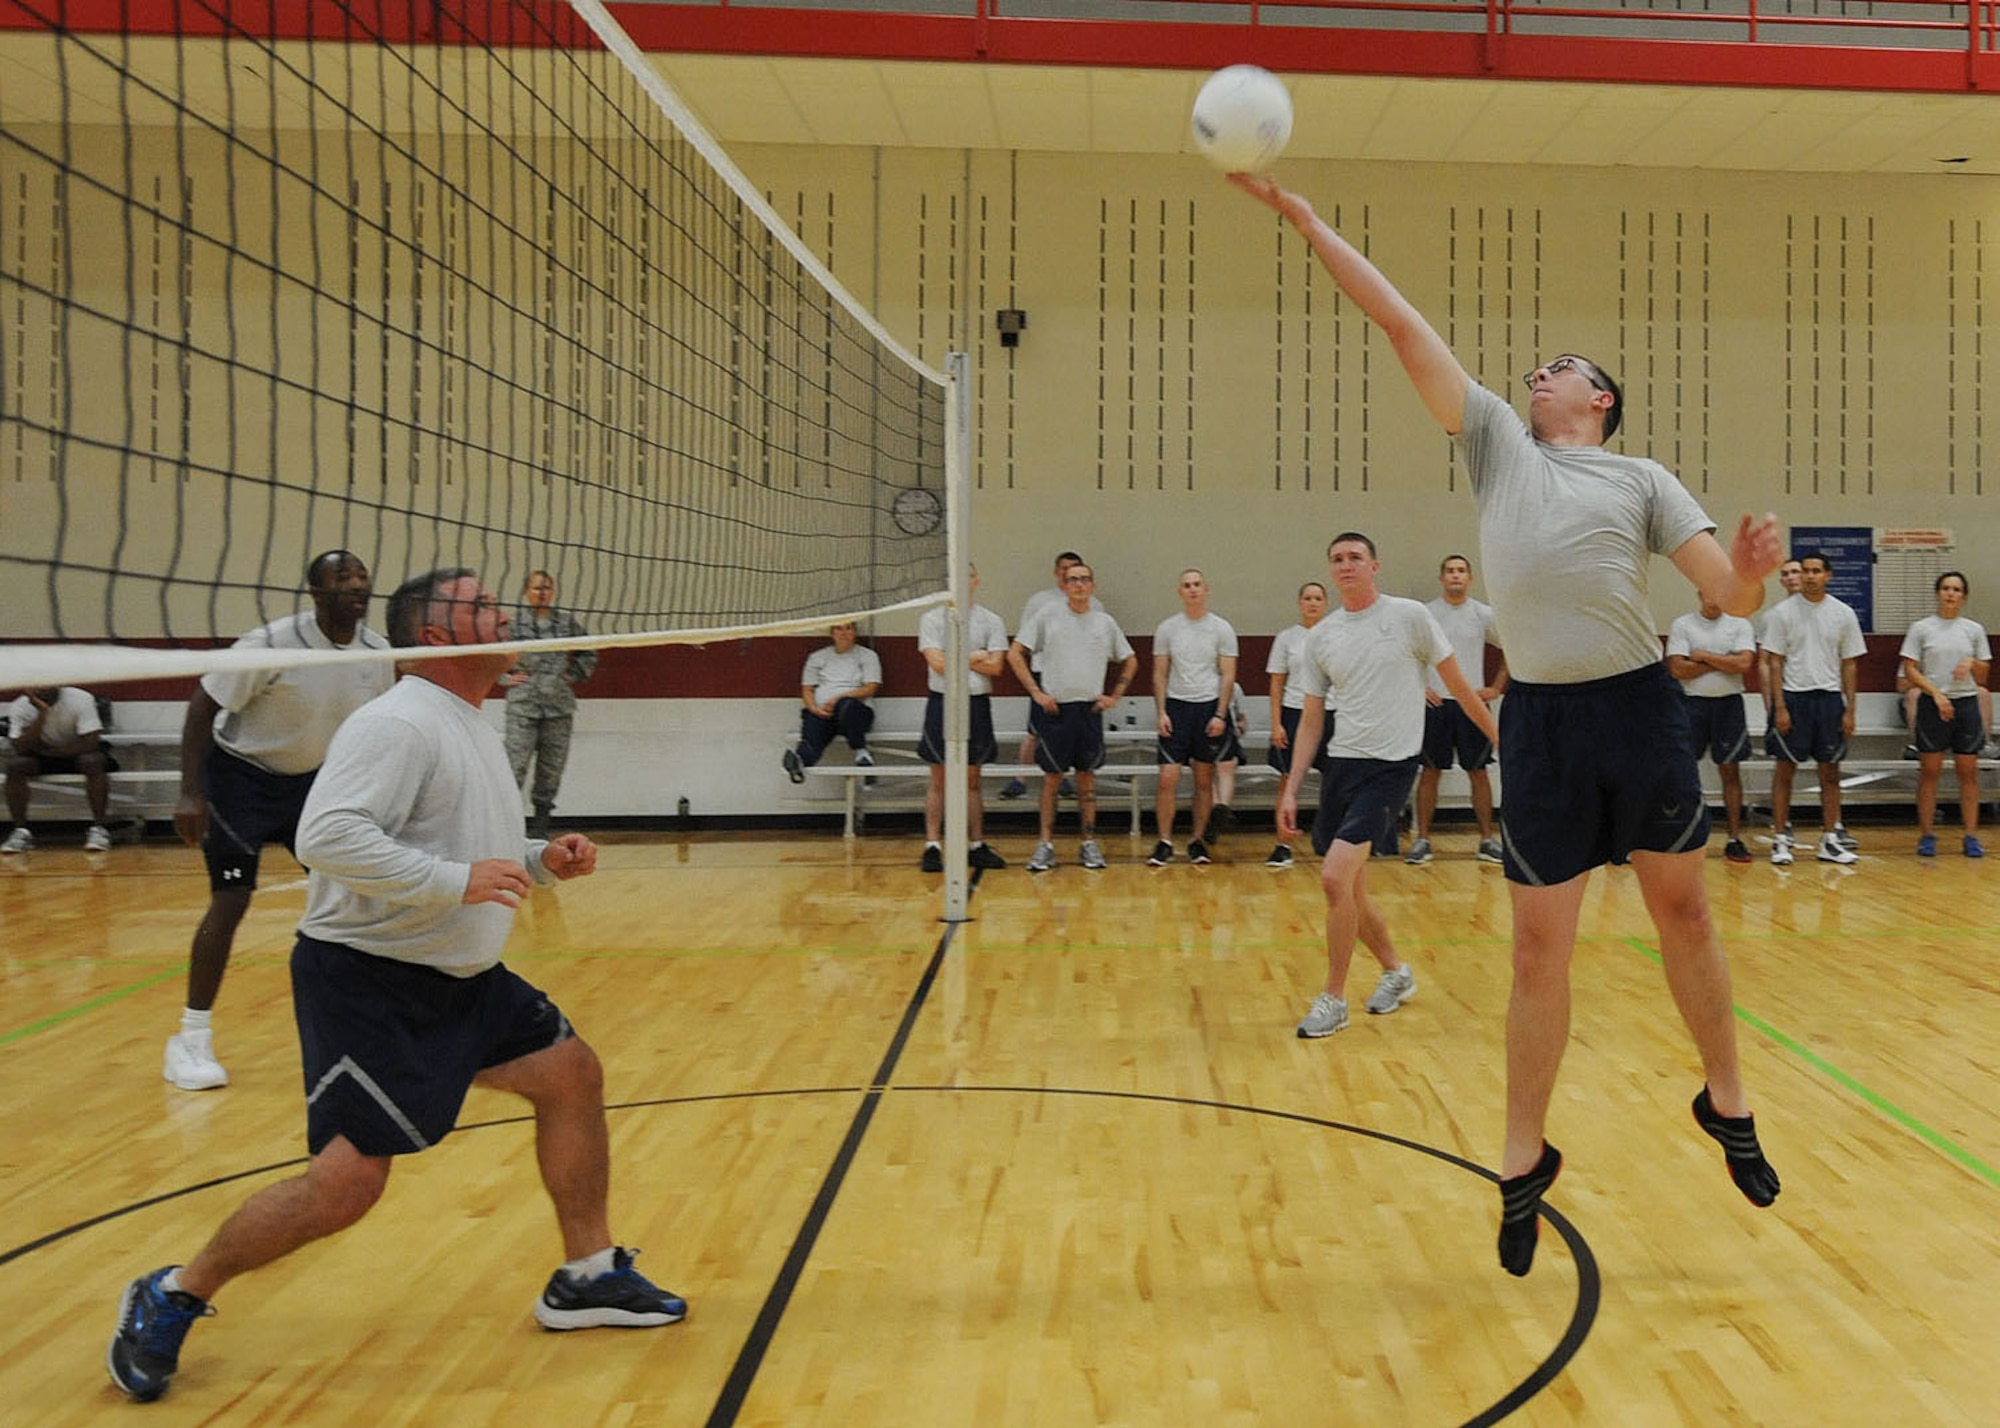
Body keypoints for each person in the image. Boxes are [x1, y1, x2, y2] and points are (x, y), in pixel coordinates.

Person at [1234, 171, 1783, 1277]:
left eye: (1562, 368)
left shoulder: (1639, 477)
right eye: (1536, 367)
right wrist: (1305, 220)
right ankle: (1522, 1155)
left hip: (1634, 710)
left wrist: (1758, 574)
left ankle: (1724, 1100)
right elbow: (1400, 324)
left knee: (1683, 916)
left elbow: (1723, 598)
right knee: (1538, 949)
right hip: (1537, 722)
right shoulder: (1495, 442)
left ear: (1600, 402)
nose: (1540, 372)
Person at [106, 567, 685, 1405]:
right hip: (370, 982)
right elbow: (328, 837)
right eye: (482, 607)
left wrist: (535, 863)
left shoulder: (469, 723)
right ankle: (173, 1293)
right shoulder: (399, 721)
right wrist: (457, 880)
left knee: (571, 1074)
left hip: (461, 974)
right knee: (345, 1187)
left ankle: (587, 1274)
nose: (504, 615)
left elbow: (457, 846)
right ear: (439, 635)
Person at [1278, 533, 1496, 1040]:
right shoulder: (1323, 637)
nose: (1346, 565)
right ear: (1330, 570)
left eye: (1355, 557)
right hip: (1343, 767)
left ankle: (1333, 998)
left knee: (1334, 878)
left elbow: (1459, 687)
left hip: (1392, 768)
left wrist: (1501, 739)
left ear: (1375, 564)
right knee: (1351, 888)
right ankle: (1396, 973)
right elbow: (1311, 721)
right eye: (1337, 559)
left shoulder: (1410, 618)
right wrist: (1291, 788)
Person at [1006, 562, 1138, 873]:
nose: (1079, 584)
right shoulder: (1047, 615)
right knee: (1052, 780)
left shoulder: (1104, 622)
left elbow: (1130, 660)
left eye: (1084, 579)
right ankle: (1045, 845)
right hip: (1056, 711)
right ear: (1064, 585)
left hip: (1089, 711)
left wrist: (1115, 696)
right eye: (1072, 580)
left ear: (1093, 585)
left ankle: (1088, 844)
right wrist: (1037, 694)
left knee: (1087, 780)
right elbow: (1015, 653)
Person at [1760, 551, 1864, 867]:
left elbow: (1849, 665)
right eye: (1805, 570)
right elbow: (1774, 662)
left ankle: (1830, 839)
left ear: (1828, 575)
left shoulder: (1843, 614)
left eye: (1816, 571)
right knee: (1785, 771)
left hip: (1830, 700)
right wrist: (1779, 707)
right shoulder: (1782, 613)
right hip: (1793, 699)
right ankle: (1781, 839)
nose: (1809, 576)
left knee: (1830, 772)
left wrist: (1850, 710)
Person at [1408, 554, 1508, 865]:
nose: (1455, 575)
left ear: (1469, 578)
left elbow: (1513, 647)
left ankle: (1487, 840)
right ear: (1442, 578)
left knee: (1478, 772)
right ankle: (1422, 840)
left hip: (1473, 707)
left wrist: (1496, 687)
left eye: (1461, 571)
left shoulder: (1482, 614)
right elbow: (1408, 654)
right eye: (1450, 571)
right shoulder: (1426, 614)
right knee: (1430, 772)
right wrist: (1421, 686)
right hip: (1436, 706)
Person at [918, 567, 1010, 873]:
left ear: (976, 580)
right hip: (942, 701)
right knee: (939, 778)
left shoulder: (991, 620)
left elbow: (996, 668)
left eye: (967, 575)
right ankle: (932, 845)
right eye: (955, 575)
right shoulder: (931, 619)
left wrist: (954, 657)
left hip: (976, 702)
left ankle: (976, 844)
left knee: (972, 779)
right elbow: (938, 665)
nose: (960, 580)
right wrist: (974, 656)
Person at [1147, 569, 1240, 867]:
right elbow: (1160, 674)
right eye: (1186, 585)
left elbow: (1228, 676)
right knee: (1167, 778)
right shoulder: (1167, 629)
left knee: (1203, 779)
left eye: (1197, 584)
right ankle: (1164, 842)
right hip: (1176, 708)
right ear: (1180, 592)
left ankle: (1197, 841)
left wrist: (1220, 714)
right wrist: (1161, 711)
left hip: (1208, 708)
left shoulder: (1222, 628)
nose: (1192, 590)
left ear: (1206, 589)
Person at [1900, 571, 1991, 858]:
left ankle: (1971, 835)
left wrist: (1971, 664)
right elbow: (1910, 669)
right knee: (1930, 772)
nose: (1951, 593)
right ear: (1938, 593)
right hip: (1932, 704)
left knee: (1968, 773)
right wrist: (1936, 693)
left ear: (1964, 596)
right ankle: (1927, 835)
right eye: (1946, 588)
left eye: (1956, 589)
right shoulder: (1922, 628)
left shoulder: (1973, 629)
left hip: (1965, 704)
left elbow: (1985, 673)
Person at [502, 570, 598, 839]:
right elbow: (488, 655)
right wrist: (504, 677)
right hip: (523, 707)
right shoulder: (513, 624)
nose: (541, 593)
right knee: (514, 768)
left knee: (551, 771)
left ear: (553, 591)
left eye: (546, 588)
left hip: (558, 707)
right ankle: (507, 829)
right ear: (526, 592)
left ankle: (540, 831)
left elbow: (589, 650)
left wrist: (573, 675)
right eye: (536, 588)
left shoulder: (565, 623)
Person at [1000, 551, 1100, 801]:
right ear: (1058, 573)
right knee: (1035, 730)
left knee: (1073, 737)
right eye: (1066, 570)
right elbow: (1023, 642)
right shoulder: (1040, 602)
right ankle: (1019, 779)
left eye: (1077, 570)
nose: (1072, 577)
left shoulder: (1095, 605)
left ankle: (1066, 780)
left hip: (1080, 681)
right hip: (1046, 674)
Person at [1665, 596, 1758, 864]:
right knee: (1683, 772)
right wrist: (1723, 661)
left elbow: (1742, 665)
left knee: (1730, 771)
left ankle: (1734, 839)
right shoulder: (1683, 624)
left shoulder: (1739, 624)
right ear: (1699, 595)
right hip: (1691, 706)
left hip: (1728, 706)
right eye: (1708, 593)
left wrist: (1704, 656)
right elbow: (1677, 669)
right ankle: (1682, 835)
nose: (1713, 600)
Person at [1264, 580, 1331, 868]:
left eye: (1318, 598)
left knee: (1334, 782)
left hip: (1331, 713)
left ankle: (1330, 841)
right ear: (1300, 603)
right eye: (1307, 598)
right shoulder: (1287, 638)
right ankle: (1283, 845)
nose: (1313, 603)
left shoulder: (1336, 635)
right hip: (1295, 714)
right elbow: (1277, 683)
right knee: (1288, 782)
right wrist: (1277, 724)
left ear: (1325, 603)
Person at [3, 686, 114, 853]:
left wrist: (53, 753)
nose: (42, 689)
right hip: (42, 755)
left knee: (93, 761)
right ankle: (21, 832)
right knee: (15, 766)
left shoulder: (81, 698)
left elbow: (90, 742)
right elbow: (20, 748)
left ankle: (100, 829)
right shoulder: (20, 706)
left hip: (76, 752)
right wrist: (43, 712)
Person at [781, 622, 881, 782]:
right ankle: (799, 762)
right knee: (812, 725)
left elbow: (871, 687)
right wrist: (814, 709)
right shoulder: (817, 657)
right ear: (831, 633)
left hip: (855, 714)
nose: (844, 633)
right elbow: (807, 689)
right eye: (838, 629)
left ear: (855, 632)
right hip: (824, 713)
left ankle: (862, 754)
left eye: (848, 628)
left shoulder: (867, 656)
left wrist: (838, 699)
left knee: (846, 706)